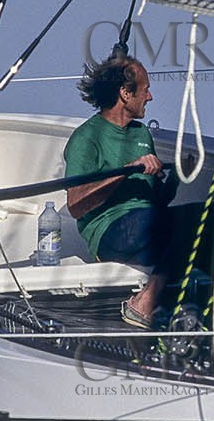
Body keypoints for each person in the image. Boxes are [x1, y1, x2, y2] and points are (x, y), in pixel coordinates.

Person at [65, 47, 174, 328]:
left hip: (147, 224)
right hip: (110, 233)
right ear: (126, 93)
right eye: (145, 90)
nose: (150, 97)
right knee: (172, 224)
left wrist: (174, 180)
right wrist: (126, 172)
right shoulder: (86, 138)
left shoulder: (141, 133)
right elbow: (76, 205)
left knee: (211, 218)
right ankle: (144, 302)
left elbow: (154, 201)